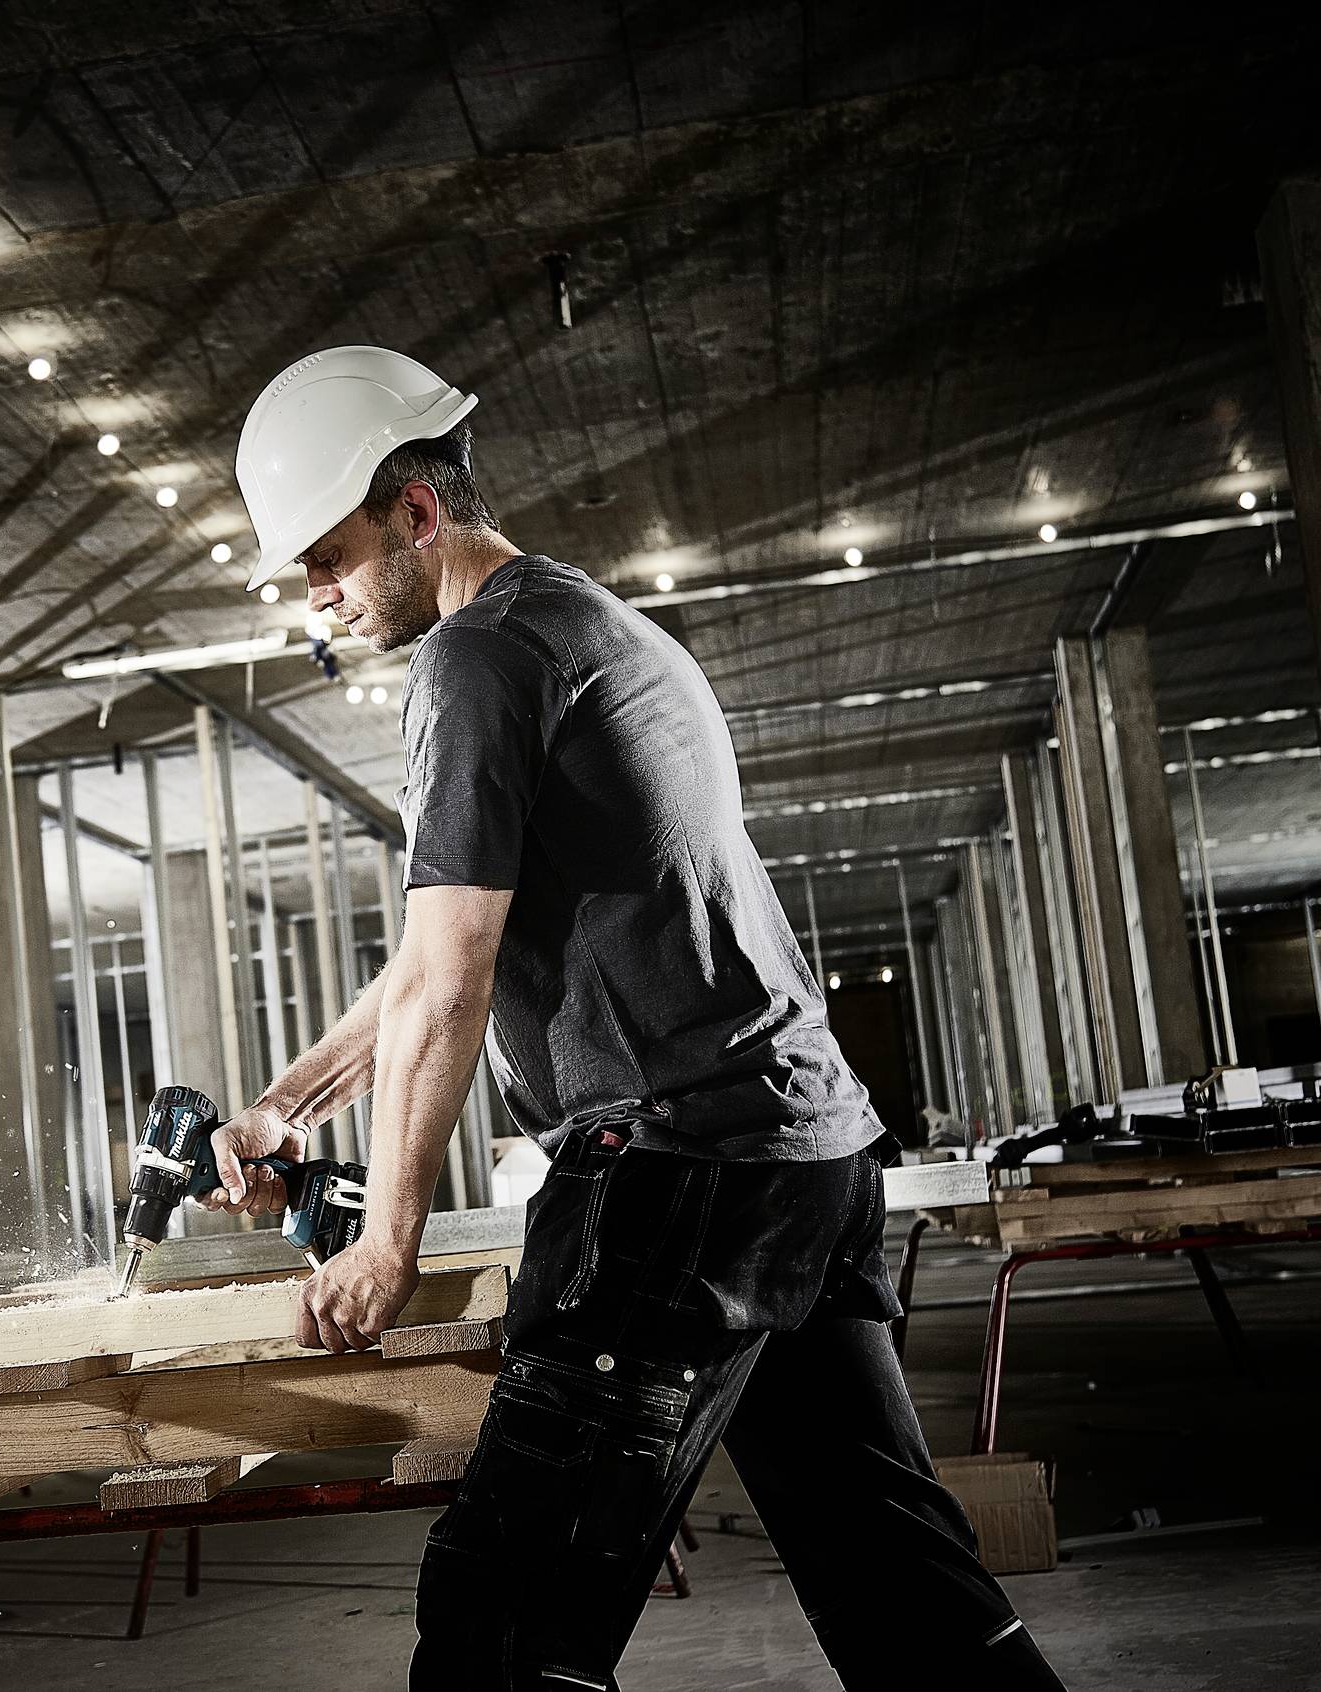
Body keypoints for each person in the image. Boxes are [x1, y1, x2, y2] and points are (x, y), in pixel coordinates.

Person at [200, 346, 1070, 1689]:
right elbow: (443, 956)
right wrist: (288, 1106)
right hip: (801, 1159)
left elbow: (454, 972)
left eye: (326, 555)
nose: (312, 596)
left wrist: (385, 1240)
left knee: (503, 1617)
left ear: (417, 514)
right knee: (900, 1580)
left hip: (680, 1177)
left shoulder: (477, 659)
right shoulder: (586, 626)